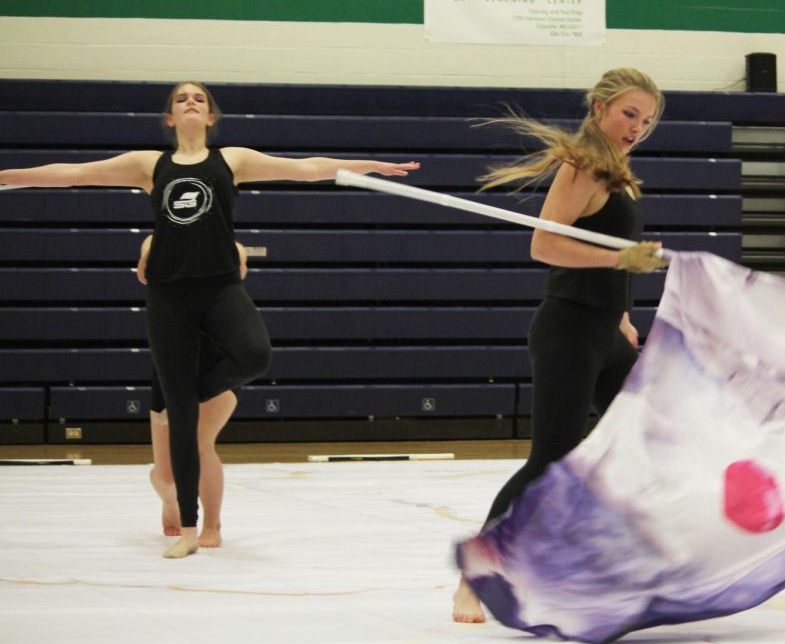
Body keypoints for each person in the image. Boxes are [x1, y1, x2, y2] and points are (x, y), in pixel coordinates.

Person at [0, 81, 419, 558]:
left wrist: (368, 166)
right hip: (169, 297)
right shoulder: (148, 165)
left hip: (220, 287)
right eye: (181, 99)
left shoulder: (233, 160)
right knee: (180, 417)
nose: (191, 102)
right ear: (170, 119)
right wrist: (8, 176)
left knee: (254, 354)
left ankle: (187, 399)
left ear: (212, 117)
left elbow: (307, 169)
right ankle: (188, 529)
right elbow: (72, 174)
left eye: (199, 97)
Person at [452, 68, 668, 624]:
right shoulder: (583, 166)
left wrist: (621, 312)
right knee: (551, 460)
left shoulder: (618, 174)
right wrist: (621, 260)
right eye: (629, 114)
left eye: (645, 121)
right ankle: (475, 578)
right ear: (599, 108)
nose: (637, 128)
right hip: (568, 333)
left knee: (640, 444)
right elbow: (544, 245)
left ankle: (603, 565)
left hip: (604, 332)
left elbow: (606, 250)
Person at [138, 234, 245, 544]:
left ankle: (212, 525)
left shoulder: (229, 247)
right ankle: (172, 501)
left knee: (199, 443)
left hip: (214, 362)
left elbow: (238, 267)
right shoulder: (157, 242)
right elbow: (145, 265)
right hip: (171, 365)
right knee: (167, 474)